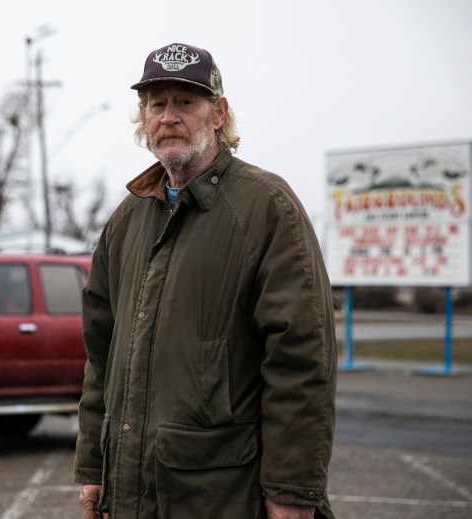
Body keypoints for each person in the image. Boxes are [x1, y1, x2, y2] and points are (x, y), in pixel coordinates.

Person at [74, 43, 337, 519]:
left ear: (219, 114)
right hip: (131, 495)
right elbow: (101, 355)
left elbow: (302, 360)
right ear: (143, 117)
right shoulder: (127, 220)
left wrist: (292, 493)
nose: (169, 116)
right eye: (157, 103)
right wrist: (94, 464)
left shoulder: (266, 207)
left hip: (225, 498)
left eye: (185, 102)